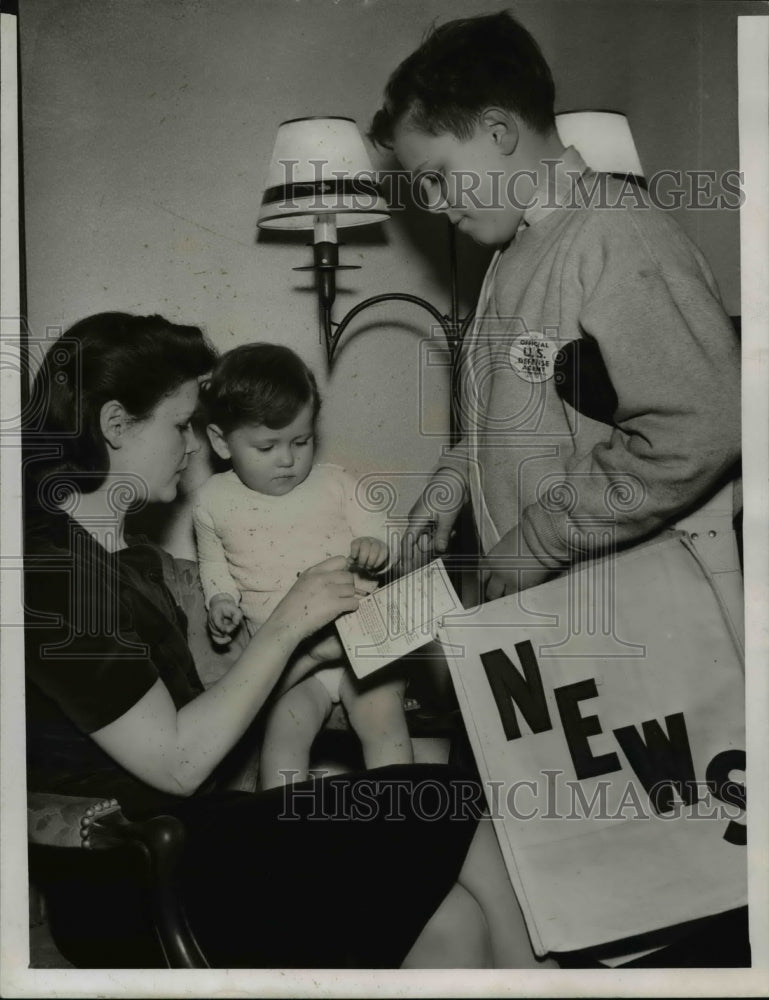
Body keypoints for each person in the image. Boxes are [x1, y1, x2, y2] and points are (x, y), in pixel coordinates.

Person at [368, 10, 745, 967]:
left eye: (438, 180)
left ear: (499, 132)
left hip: (637, 639)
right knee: (549, 892)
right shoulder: (507, 256)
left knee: (633, 908)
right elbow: (504, 412)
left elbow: (701, 428)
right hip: (557, 644)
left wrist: (534, 539)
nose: (436, 206)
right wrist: (448, 488)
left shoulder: (615, 232)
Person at [23, 311, 554, 969]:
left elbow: (185, 721)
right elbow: (177, 762)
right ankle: (547, 977)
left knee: (451, 920)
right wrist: (286, 624)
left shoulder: (118, 558)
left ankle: (536, 974)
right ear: (114, 425)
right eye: (180, 425)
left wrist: (319, 649)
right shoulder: (50, 576)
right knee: (444, 799)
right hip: (134, 878)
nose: (193, 447)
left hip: (192, 839)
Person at [193, 343, 412, 789]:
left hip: (361, 651)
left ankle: (400, 819)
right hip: (292, 667)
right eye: (267, 446)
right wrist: (220, 598)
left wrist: (377, 546)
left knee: (384, 724)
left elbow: (387, 534)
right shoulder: (214, 500)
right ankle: (284, 838)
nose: (288, 459)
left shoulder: (335, 482)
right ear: (220, 442)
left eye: (301, 441)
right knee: (284, 740)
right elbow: (212, 560)